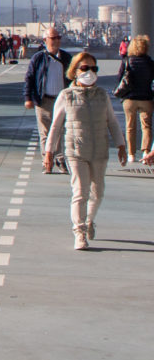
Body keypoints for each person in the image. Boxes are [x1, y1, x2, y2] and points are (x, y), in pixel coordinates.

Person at [45, 51, 126, 248]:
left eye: (93, 68)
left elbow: (112, 121)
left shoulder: (102, 95)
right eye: (84, 68)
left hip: (99, 151)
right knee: (80, 192)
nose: (89, 72)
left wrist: (121, 145)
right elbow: (55, 126)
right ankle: (79, 233)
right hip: (76, 151)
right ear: (75, 71)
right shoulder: (66, 96)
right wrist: (49, 152)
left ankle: (89, 220)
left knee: (98, 193)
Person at [24, 25, 73, 165]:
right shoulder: (38, 58)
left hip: (62, 101)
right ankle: (47, 161)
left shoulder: (66, 58)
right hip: (43, 100)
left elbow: (73, 78)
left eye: (58, 37)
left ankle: (60, 159)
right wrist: (28, 98)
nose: (56, 40)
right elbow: (29, 78)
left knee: (60, 131)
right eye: (53, 38)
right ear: (45, 40)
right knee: (45, 133)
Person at [115, 34, 154, 162]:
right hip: (146, 98)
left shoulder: (127, 61)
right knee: (146, 126)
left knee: (130, 126)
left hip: (129, 98)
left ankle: (131, 154)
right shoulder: (149, 62)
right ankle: (146, 152)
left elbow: (119, 78)